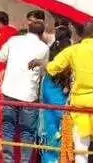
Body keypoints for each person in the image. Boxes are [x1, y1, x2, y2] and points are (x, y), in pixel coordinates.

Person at [36, 22, 93, 163]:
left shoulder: (73, 50)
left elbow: (53, 67)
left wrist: (40, 62)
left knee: (81, 149)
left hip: (80, 105)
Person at [0, 20, 49, 163]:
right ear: (42, 33)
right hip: (29, 95)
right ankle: (25, 161)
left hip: (9, 92)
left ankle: (8, 161)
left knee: (8, 129)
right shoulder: (44, 48)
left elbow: (0, 57)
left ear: (28, 29)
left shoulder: (14, 40)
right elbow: (44, 71)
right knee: (27, 132)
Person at [38, 25, 72, 163]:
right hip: (63, 101)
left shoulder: (51, 52)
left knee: (49, 131)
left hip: (49, 91)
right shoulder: (71, 52)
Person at [0, 10, 19, 156]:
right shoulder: (17, 34)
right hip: (18, 84)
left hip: (1, 83)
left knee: (1, 122)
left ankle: (2, 156)